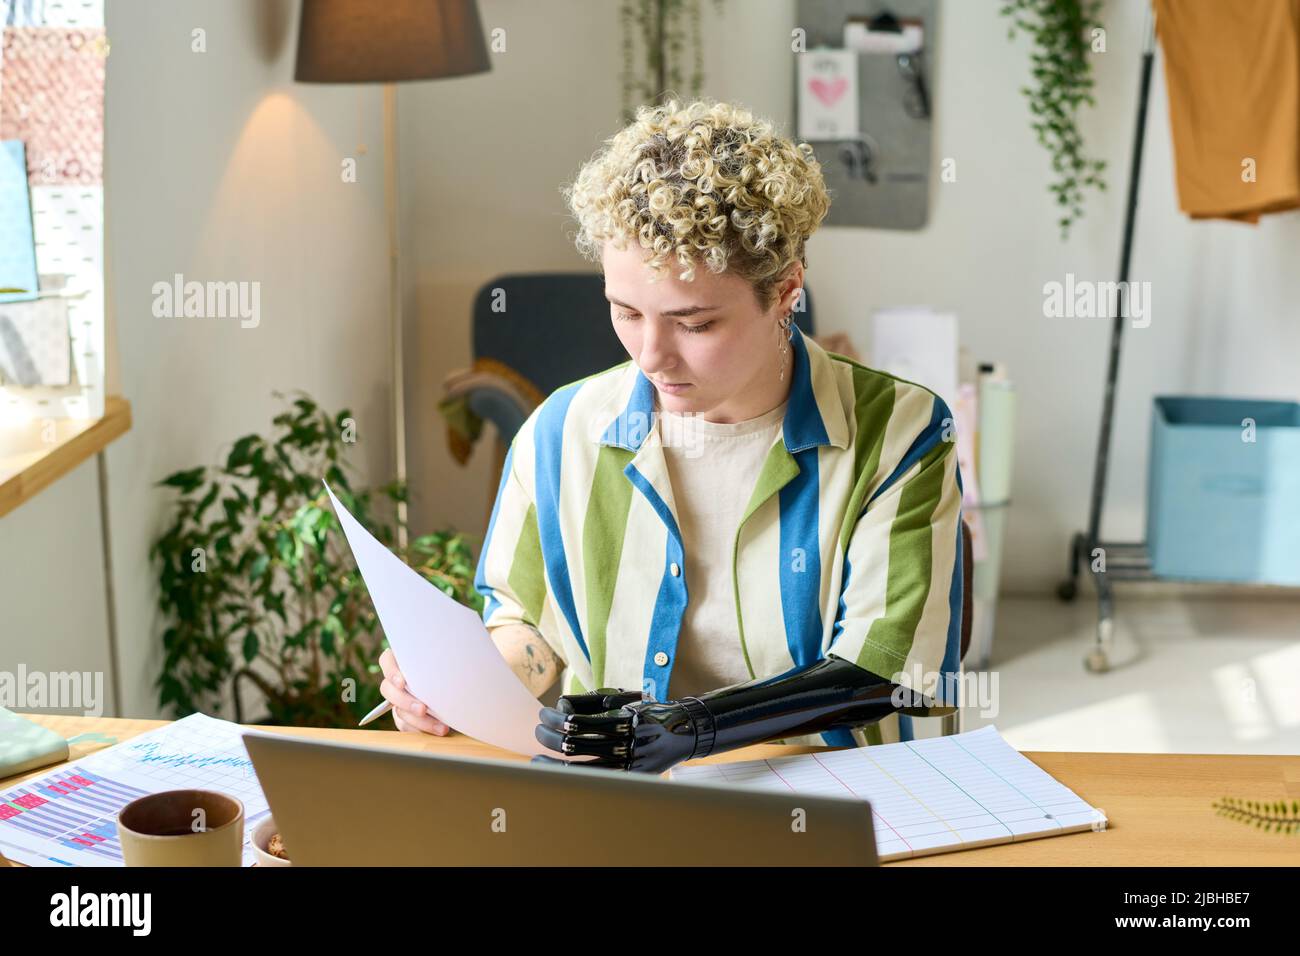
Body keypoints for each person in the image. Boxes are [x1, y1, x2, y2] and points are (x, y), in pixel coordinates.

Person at [378, 97, 964, 774]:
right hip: (617, 812)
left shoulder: (902, 433)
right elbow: (528, 629)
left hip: (840, 805)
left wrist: (696, 727)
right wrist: (450, 687)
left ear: (784, 293)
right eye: (625, 311)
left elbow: (881, 672)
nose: (651, 355)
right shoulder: (559, 432)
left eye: (695, 324)